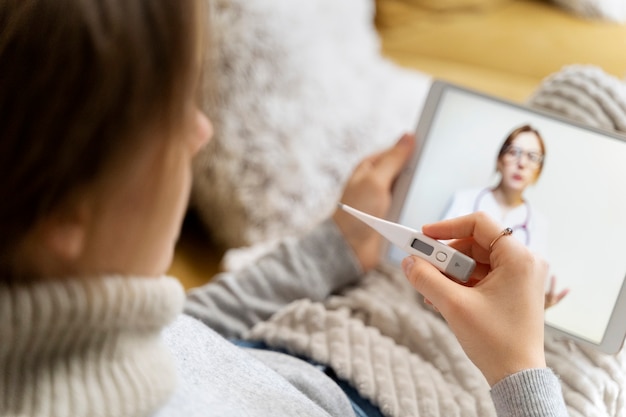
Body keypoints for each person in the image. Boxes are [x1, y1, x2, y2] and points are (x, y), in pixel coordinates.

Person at [0, 1, 567, 416]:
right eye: (169, 113)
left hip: (294, 344)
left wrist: (335, 244)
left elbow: (182, 333)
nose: (201, 131)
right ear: (64, 216)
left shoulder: (65, 335)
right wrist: (522, 374)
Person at [442, 124, 568, 308]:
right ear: (500, 160)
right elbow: (439, 254)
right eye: (514, 152)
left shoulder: (538, 225)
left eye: (532, 157)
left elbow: (532, 287)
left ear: (538, 171)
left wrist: (541, 305)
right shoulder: (464, 199)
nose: (521, 163)